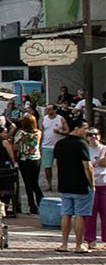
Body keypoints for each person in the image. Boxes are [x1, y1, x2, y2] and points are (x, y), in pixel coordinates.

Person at [53, 118, 94, 254]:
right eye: (85, 128)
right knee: (80, 215)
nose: (87, 132)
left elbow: (56, 165)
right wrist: (92, 184)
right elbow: (87, 166)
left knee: (66, 214)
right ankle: (78, 244)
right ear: (76, 128)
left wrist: (60, 179)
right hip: (80, 184)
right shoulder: (82, 144)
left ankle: (64, 243)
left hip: (65, 183)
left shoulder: (60, 143)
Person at [15, 114, 45, 214]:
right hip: (36, 158)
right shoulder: (39, 133)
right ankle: (41, 201)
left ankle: (32, 205)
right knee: (35, 182)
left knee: (28, 183)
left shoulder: (21, 133)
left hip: (24, 159)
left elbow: (15, 144)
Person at [84, 127, 106, 250]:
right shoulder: (85, 150)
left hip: (104, 183)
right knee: (90, 215)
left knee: (105, 213)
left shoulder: (104, 149)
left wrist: (95, 164)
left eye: (95, 134)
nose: (93, 137)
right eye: (90, 135)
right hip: (90, 185)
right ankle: (90, 240)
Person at [40, 105, 67, 191]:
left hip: (59, 145)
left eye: (50, 109)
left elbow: (67, 130)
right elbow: (40, 131)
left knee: (60, 167)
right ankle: (49, 184)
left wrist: (60, 132)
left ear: (55, 110)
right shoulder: (44, 119)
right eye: (47, 109)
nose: (48, 111)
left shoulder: (60, 118)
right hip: (46, 145)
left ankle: (61, 184)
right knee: (47, 167)